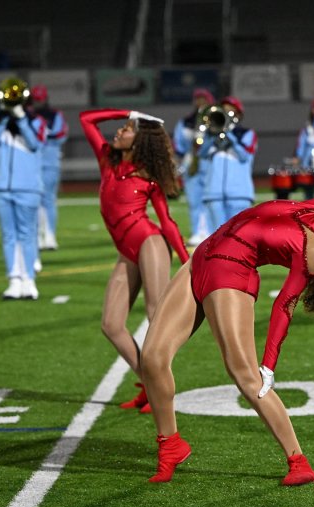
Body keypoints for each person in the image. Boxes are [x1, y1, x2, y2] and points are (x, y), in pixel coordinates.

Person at [139, 177, 314, 485]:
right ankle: (171, 445)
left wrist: (269, 363)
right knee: (151, 359)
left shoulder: (313, 251)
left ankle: (298, 461)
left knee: (246, 377)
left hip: (231, 275)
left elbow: (284, 305)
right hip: (200, 260)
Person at [79, 107, 189, 413]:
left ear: (139, 141)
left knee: (157, 315)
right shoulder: (107, 161)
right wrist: (126, 112)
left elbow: (166, 222)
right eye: (122, 127)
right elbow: (87, 120)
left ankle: (162, 389)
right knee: (111, 325)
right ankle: (148, 382)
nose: (119, 131)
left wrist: (185, 260)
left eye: (127, 129)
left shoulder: (148, 176)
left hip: (149, 244)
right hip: (125, 252)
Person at [0, 77, 46, 300]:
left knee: (27, 235)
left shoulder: (36, 122)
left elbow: (35, 144)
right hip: (0, 187)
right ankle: (14, 279)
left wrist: (20, 118)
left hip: (28, 188)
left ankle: (29, 280)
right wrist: (3, 116)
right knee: (8, 236)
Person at [199, 96, 256, 230]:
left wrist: (229, 135)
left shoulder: (246, 133)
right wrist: (213, 135)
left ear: (238, 114)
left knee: (239, 235)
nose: (226, 113)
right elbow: (201, 153)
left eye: (230, 111)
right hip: (213, 193)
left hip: (239, 194)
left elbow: (244, 156)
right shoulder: (210, 135)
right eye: (223, 110)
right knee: (216, 237)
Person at [29, 84, 68, 251]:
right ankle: (38, 236)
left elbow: (61, 135)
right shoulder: (28, 116)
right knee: (35, 200)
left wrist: (41, 136)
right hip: (32, 163)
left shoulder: (54, 115)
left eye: (40, 98)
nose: (39, 102)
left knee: (48, 200)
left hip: (49, 163)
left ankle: (50, 236)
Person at [172, 88, 214, 246]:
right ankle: (198, 231)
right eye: (198, 99)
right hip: (192, 163)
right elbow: (179, 145)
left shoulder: (215, 120)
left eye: (204, 98)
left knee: (211, 199)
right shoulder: (185, 122)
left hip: (211, 162)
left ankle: (211, 230)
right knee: (194, 199)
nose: (200, 102)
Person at [293, 99, 314, 200]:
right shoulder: (308, 128)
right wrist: (298, 157)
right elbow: (301, 144)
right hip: (308, 163)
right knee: (308, 190)